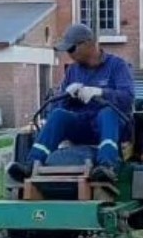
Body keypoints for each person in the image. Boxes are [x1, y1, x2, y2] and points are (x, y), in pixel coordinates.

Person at [7, 23, 135, 183]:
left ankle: (107, 166)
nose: (69, 54)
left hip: (109, 127)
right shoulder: (73, 71)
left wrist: (100, 92)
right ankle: (31, 164)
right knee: (59, 115)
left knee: (107, 113)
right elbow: (59, 106)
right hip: (83, 124)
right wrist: (67, 95)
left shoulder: (117, 66)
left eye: (71, 49)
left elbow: (128, 98)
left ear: (88, 44)